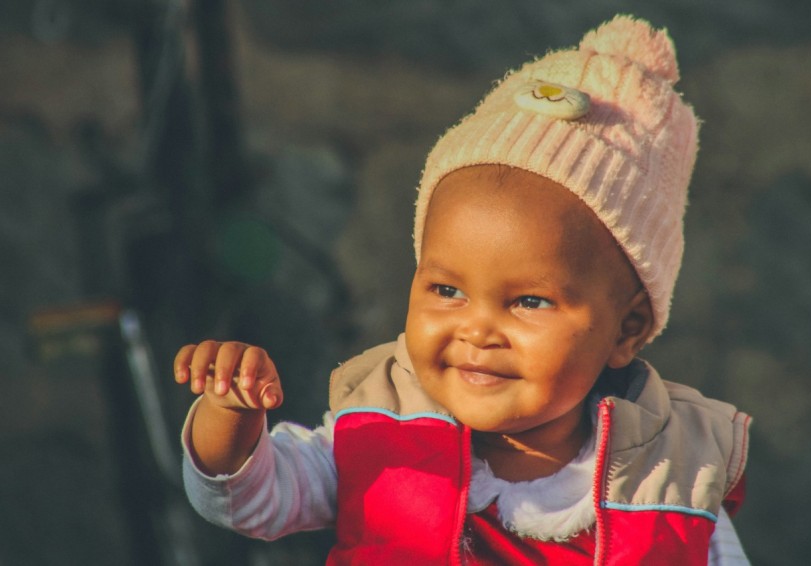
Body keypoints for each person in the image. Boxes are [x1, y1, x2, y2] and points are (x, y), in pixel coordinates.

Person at [174, 15, 752, 565]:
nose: (476, 330)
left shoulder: (674, 483)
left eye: (529, 301)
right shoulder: (378, 430)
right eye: (448, 290)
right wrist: (230, 412)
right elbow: (246, 501)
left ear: (627, 329)